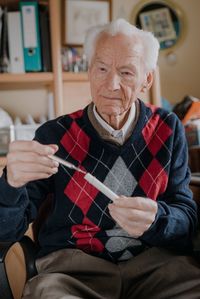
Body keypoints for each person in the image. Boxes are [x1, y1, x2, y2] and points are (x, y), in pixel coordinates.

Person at [0, 19, 200, 299]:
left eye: (126, 72)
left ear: (147, 79)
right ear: (90, 70)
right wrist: (10, 183)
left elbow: (187, 217)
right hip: (73, 273)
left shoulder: (168, 128)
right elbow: (6, 230)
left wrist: (158, 220)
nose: (111, 84)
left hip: (156, 267)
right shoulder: (54, 134)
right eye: (102, 68)